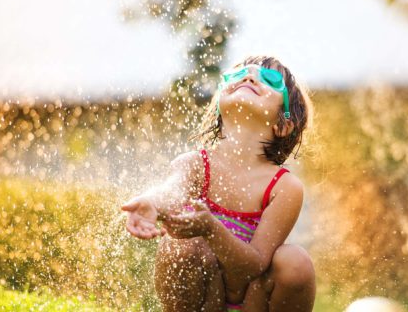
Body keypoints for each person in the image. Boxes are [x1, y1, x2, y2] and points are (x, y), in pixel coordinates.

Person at [121, 55, 316, 311]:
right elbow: (173, 191)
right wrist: (153, 203)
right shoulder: (195, 164)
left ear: (283, 124)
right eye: (238, 74)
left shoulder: (284, 186)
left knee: (295, 261)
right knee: (182, 245)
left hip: (251, 302)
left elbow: (254, 265)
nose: (249, 76)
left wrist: (212, 229)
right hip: (201, 299)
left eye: (270, 78)